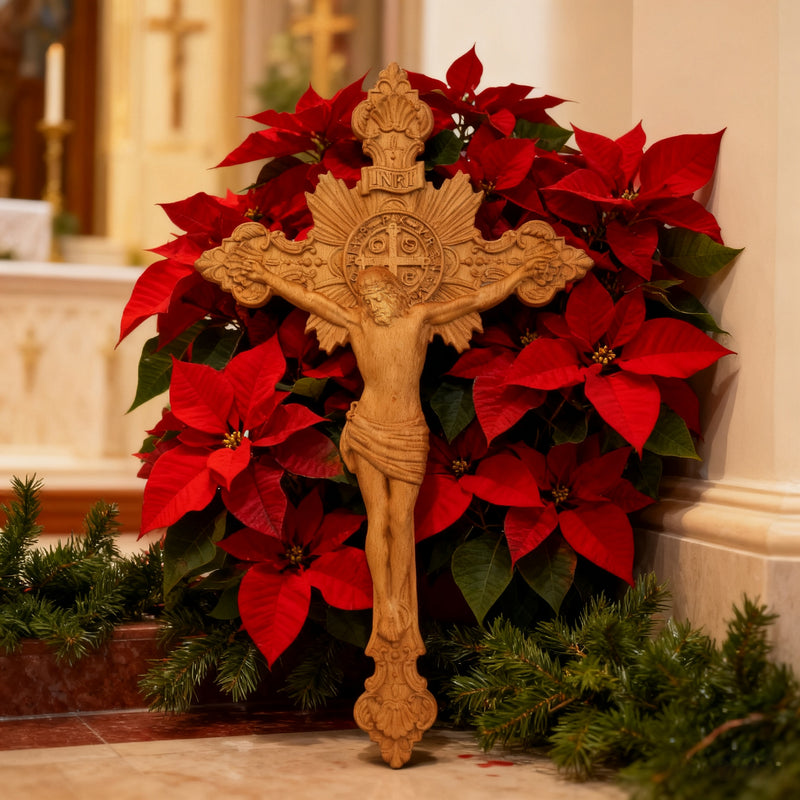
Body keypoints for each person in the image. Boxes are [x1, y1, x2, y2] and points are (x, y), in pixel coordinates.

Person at [250, 260, 545, 644]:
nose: (373, 302)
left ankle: (399, 597)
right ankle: (386, 603)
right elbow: (311, 299)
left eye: (377, 293)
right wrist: (269, 277)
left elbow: (474, 299)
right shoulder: (356, 322)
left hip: (408, 429)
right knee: (379, 517)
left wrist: (518, 275)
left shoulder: (420, 318)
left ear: (393, 291)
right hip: (369, 426)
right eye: (366, 297)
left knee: (401, 518)